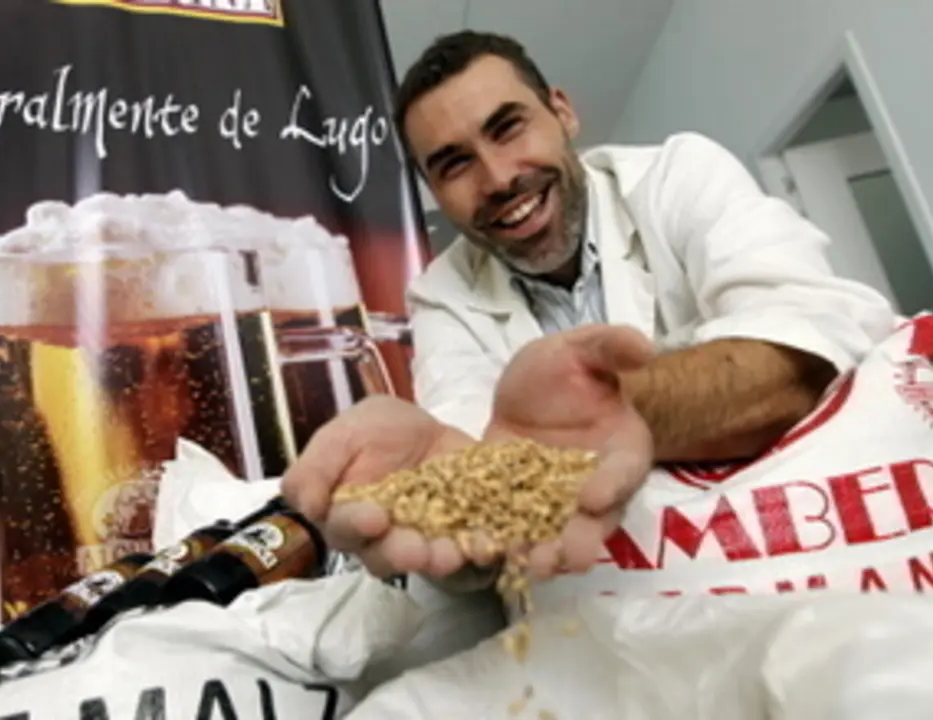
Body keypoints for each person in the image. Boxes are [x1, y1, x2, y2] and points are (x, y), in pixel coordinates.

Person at [281, 31, 899, 585]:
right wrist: (445, 500)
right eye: (455, 163)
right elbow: (474, 482)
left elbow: (797, 352)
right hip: (627, 598)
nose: (497, 178)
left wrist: (593, 419)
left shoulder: (679, 176)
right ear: (433, 190)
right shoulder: (441, 295)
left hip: (818, 547)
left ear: (563, 112)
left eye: (508, 128)